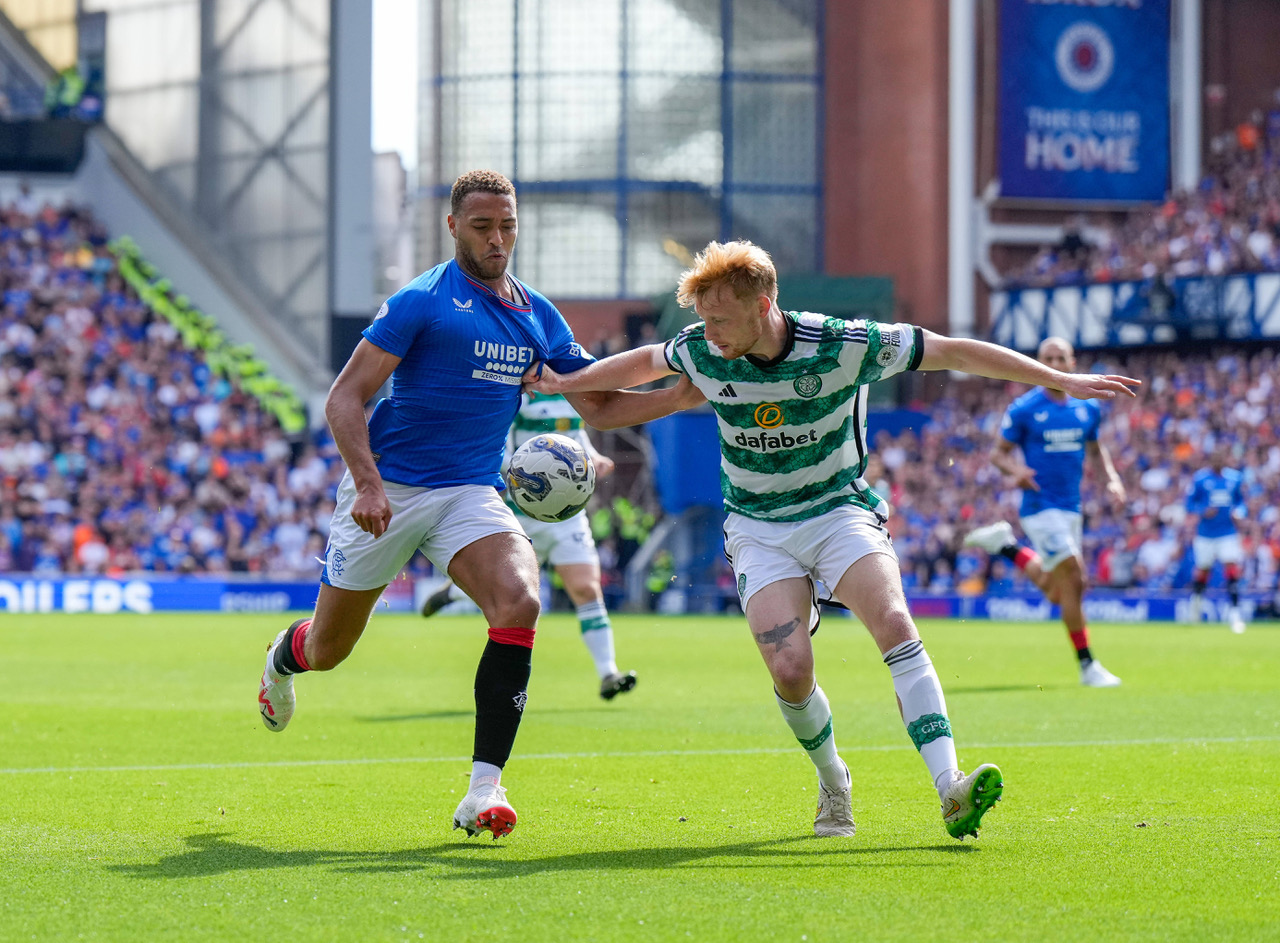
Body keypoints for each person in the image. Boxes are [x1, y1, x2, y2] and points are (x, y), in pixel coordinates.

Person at [525, 240, 1140, 840]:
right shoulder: (700, 350)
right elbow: (622, 382)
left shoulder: (844, 343)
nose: (709, 333)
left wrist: (1064, 380)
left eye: (720, 319)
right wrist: (561, 381)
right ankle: (833, 777)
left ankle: (950, 785)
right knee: (791, 670)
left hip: (838, 510)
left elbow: (953, 351)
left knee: (895, 623)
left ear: (764, 303)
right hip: (759, 526)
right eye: (703, 320)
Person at [256, 170, 695, 840]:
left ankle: (484, 788)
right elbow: (345, 398)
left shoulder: (538, 316)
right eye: (484, 225)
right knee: (330, 647)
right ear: (455, 226)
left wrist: (684, 393)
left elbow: (598, 401)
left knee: (520, 601)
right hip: (391, 489)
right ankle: (282, 659)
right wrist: (369, 483)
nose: (498, 238)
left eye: (508, 225)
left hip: (471, 489)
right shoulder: (421, 301)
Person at [421, 391, 639, 699]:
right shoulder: (518, 397)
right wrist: (544, 473)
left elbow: (575, 437)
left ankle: (608, 673)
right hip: (524, 513)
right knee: (510, 590)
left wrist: (591, 458)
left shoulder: (574, 393)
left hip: (567, 513)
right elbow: (502, 454)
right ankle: (454, 593)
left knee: (586, 588)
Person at [963, 337, 1128, 688]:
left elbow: (1097, 451)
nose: (1054, 363)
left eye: (1060, 357)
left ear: (1072, 362)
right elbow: (998, 454)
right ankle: (1088, 666)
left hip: (1072, 508)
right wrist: (1016, 472)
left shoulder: (1087, 407)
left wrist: (1112, 481)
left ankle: (1006, 545)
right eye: (1047, 358)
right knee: (1077, 577)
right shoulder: (1024, 408)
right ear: (1038, 363)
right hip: (1039, 507)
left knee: (1059, 591)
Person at [1185, 447, 1247, 633]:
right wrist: (1203, 511)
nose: (1218, 462)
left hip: (1227, 532)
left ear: (1225, 459)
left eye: (1221, 458)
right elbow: (1189, 503)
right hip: (1205, 534)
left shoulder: (1234, 478)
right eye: (1215, 458)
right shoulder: (1200, 479)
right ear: (1211, 460)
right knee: (1203, 570)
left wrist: (1239, 512)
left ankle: (1235, 613)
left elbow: (1240, 502)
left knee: (1231, 567)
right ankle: (1195, 609)